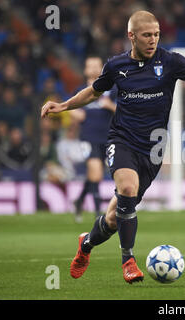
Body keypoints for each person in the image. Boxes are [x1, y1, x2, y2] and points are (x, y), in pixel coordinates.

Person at [41, 10, 185, 284]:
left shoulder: (170, 60)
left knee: (114, 218)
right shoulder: (116, 65)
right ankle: (128, 260)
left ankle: (86, 244)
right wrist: (64, 105)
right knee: (127, 189)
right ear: (132, 36)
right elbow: (93, 92)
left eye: (156, 35)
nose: (153, 40)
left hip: (153, 151)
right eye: (147, 35)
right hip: (122, 139)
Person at [70, 56, 116, 223]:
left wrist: (110, 105)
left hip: (109, 137)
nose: (94, 69)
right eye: (91, 66)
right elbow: (69, 108)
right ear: (85, 70)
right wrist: (75, 113)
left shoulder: (112, 90)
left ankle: (79, 200)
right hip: (88, 138)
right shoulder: (81, 90)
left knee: (94, 175)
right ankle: (98, 213)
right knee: (95, 172)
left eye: (97, 65)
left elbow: (124, 110)